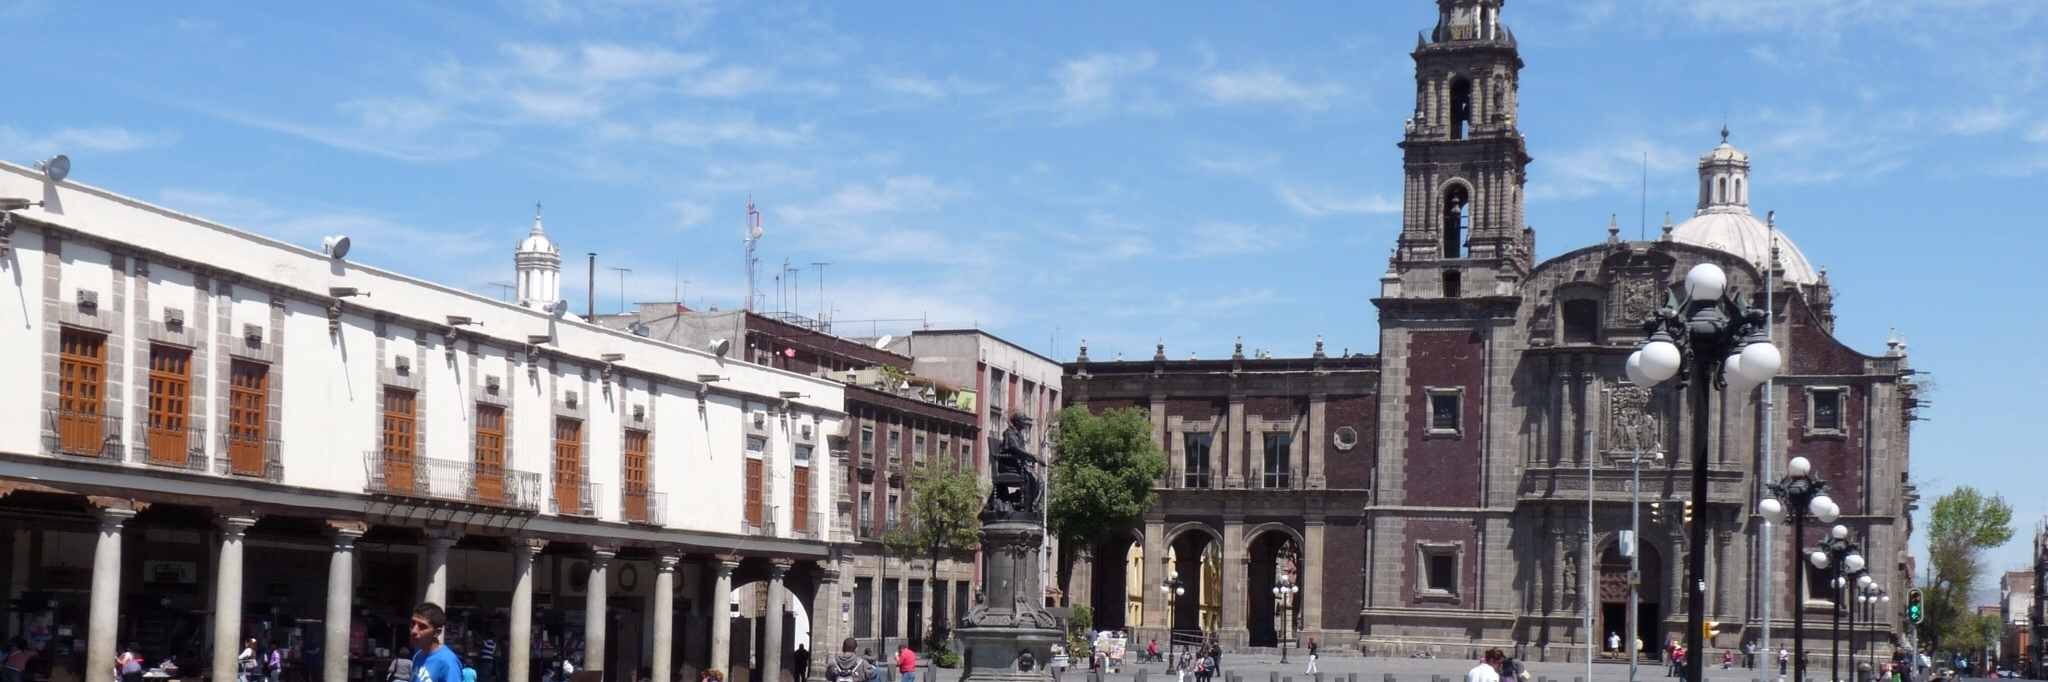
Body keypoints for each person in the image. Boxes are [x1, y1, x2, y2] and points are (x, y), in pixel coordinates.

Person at [409, 603, 465, 682]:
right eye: (413, 623)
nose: (414, 631)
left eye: (422, 626)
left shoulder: (448, 662)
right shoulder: (417, 656)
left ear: (437, 632)